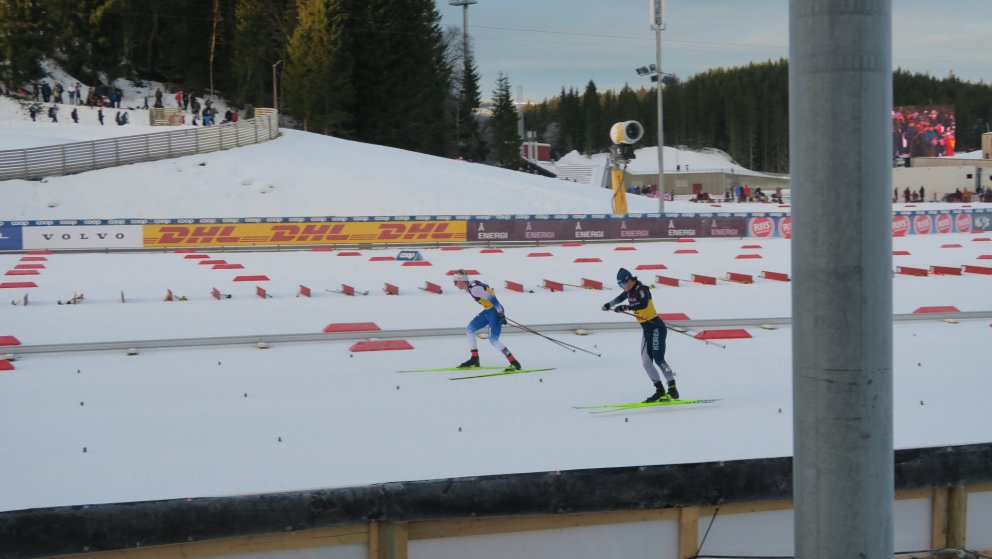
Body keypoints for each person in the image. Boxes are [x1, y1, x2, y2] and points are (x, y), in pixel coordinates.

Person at [602, 267, 679, 402]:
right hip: (646, 330)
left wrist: (626, 307)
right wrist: (609, 304)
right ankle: (659, 390)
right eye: (619, 285)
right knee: (646, 363)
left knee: (658, 358)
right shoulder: (629, 292)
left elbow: (642, 304)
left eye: (621, 284)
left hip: (656, 327)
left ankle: (672, 387)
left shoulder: (642, 289)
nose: (621, 287)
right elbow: (620, 298)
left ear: (629, 281)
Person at [452, 269, 522, 371]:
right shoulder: (472, 285)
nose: (454, 284)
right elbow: (487, 288)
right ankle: (475, 359)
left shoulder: (474, 289)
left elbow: (493, 299)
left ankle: (514, 363)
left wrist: (501, 314)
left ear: (461, 280)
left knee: (493, 340)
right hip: (489, 311)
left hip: (494, 311)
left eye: (455, 282)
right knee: (469, 329)